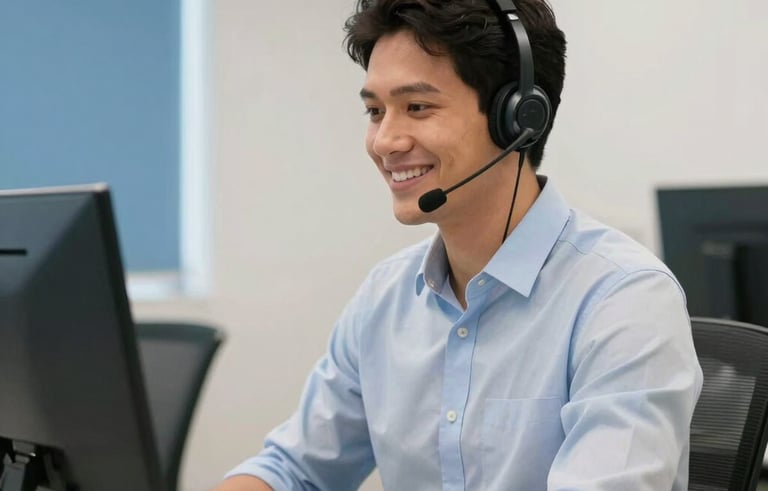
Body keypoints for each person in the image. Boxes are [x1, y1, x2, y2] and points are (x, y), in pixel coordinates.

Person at [213, 0, 703, 489]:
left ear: (518, 117)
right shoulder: (385, 299)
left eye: (417, 107)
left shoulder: (624, 301)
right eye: (374, 111)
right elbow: (292, 469)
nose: (384, 141)